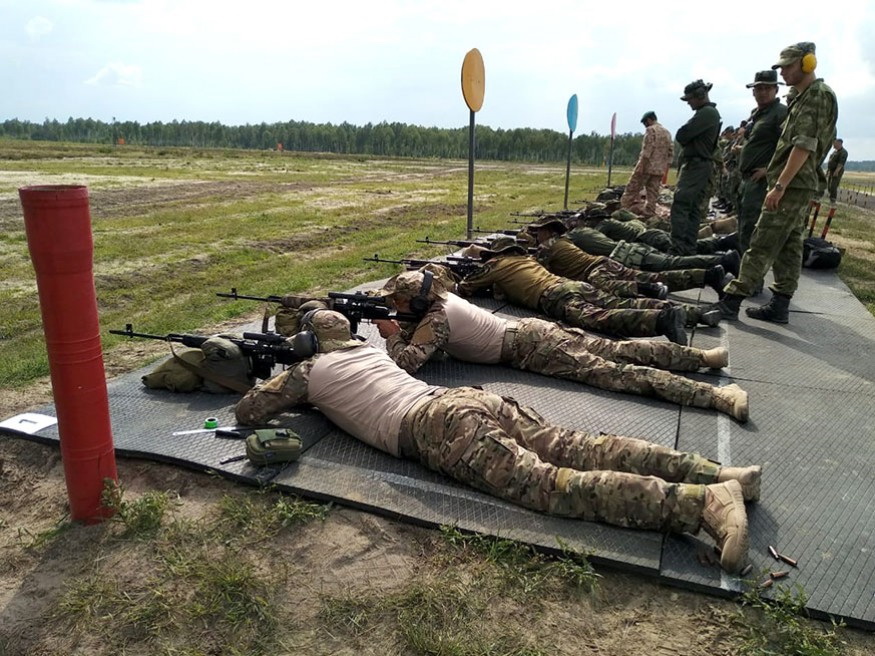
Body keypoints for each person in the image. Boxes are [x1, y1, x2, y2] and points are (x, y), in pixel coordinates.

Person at [235, 309, 760, 573]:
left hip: (436, 427)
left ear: (304, 344)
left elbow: (249, 411)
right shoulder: (370, 349)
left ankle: (703, 505)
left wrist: (275, 371)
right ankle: (718, 473)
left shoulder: (309, 371)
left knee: (552, 486)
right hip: (468, 400)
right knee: (579, 445)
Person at [373, 269, 748, 420]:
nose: (395, 307)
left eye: (400, 302)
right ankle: (702, 356)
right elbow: (426, 341)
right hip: (532, 332)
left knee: (614, 373)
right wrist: (402, 327)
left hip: (531, 348)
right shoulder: (442, 305)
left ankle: (718, 397)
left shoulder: (436, 319)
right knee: (618, 351)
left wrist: (390, 334)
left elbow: (408, 363)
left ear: (419, 301)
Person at [713, 42, 838, 324]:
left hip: (793, 184)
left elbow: (804, 145)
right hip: (795, 182)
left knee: (762, 239)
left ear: (807, 64)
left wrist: (779, 185)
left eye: (788, 66)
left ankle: (731, 301)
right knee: (789, 245)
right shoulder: (802, 96)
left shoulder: (817, 96)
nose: (782, 72)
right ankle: (780, 303)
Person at [456, 237, 695, 345]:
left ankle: (661, 320)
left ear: (495, 256)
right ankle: (675, 310)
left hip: (555, 296)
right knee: (616, 303)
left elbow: (465, 288)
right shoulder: (526, 260)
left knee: (600, 319)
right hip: (573, 285)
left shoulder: (496, 265)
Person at [525, 217, 734, 305]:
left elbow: (532, 268)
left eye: (538, 232)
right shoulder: (568, 239)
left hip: (598, 270)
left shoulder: (551, 245)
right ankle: (708, 274)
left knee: (613, 295)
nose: (536, 236)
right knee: (663, 272)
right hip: (609, 261)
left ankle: (649, 291)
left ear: (548, 231)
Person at [669, 80, 722, 255]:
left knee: (682, 205)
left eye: (690, 99)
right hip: (699, 165)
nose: (689, 103)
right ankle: (688, 247)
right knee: (692, 208)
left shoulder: (707, 113)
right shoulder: (706, 113)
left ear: (700, 95)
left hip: (697, 166)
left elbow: (682, 135)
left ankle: (678, 248)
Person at [620, 111, 674, 217]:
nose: (645, 125)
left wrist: (640, 166)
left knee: (632, 189)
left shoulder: (651, 130)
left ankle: (623, 211)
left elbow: (646, 151)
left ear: (649, 120)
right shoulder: (667, 132)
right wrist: (665, 166)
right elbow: (671, 152)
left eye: (645, 122)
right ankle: (649, 214)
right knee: (653, 193)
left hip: (647, 167)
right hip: (659, 169)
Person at [826, 138, 848, 204]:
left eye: (835, 143)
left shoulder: (843, 152)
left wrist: (836, 171)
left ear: (839, 143)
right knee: (829, 185)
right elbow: (830, 162)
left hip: (837, 170)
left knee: (833, 185)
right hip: (831, 170)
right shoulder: (835, 152)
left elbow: (841, 163)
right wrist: (828, 171)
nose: (833, 145)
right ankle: (831, 197)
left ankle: (833, 200)